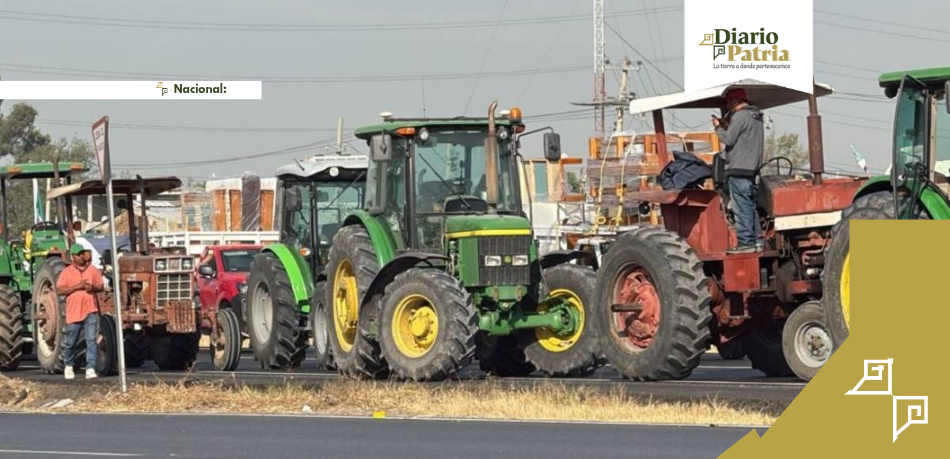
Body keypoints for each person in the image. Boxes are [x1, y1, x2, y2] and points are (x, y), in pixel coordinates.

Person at [712, 88, 765, 254]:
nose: (727, 105)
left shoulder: (739, 116)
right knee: (751, 206)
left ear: (735, 101)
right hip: (752, 169)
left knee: (741, 207)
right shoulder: (756, 117)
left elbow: (728, 139)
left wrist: (718, 128)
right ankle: (757, 240)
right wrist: (729, 126)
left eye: (728, 102)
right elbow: (743, 136)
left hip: (738, 168)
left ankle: (745, 243)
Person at [57, 243, 105, 380]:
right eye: (78, 254)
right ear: (72, 257)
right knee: (71, 342)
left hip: (91, 310)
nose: (81, 256)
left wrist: (93, 287)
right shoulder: (66, 272)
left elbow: (101, 286)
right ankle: (69, 365)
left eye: (82, 253)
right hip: (74, 312)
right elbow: (60, 289)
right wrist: (77, 287)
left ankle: (90, 367)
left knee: (91, 340)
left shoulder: (93, 270)